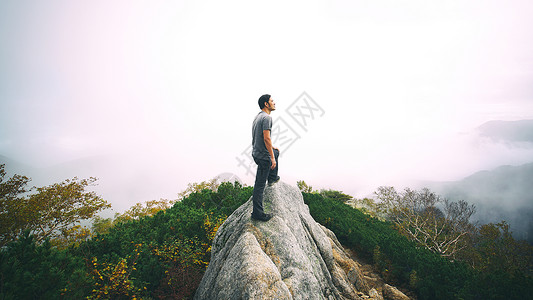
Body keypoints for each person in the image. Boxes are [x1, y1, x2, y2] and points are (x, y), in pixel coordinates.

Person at [251, 94, 280, 221]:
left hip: (257, 153)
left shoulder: (258, 117)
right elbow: (266, 137)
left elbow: (261, 137)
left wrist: (272, 148)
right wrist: (272, 158)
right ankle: (258, 213)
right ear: (266, 104)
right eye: (272, 101)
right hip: (263, 157)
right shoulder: (267, 118)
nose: (274, 102)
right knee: (259, 186)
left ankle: (272, 177)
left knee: (276, 152)